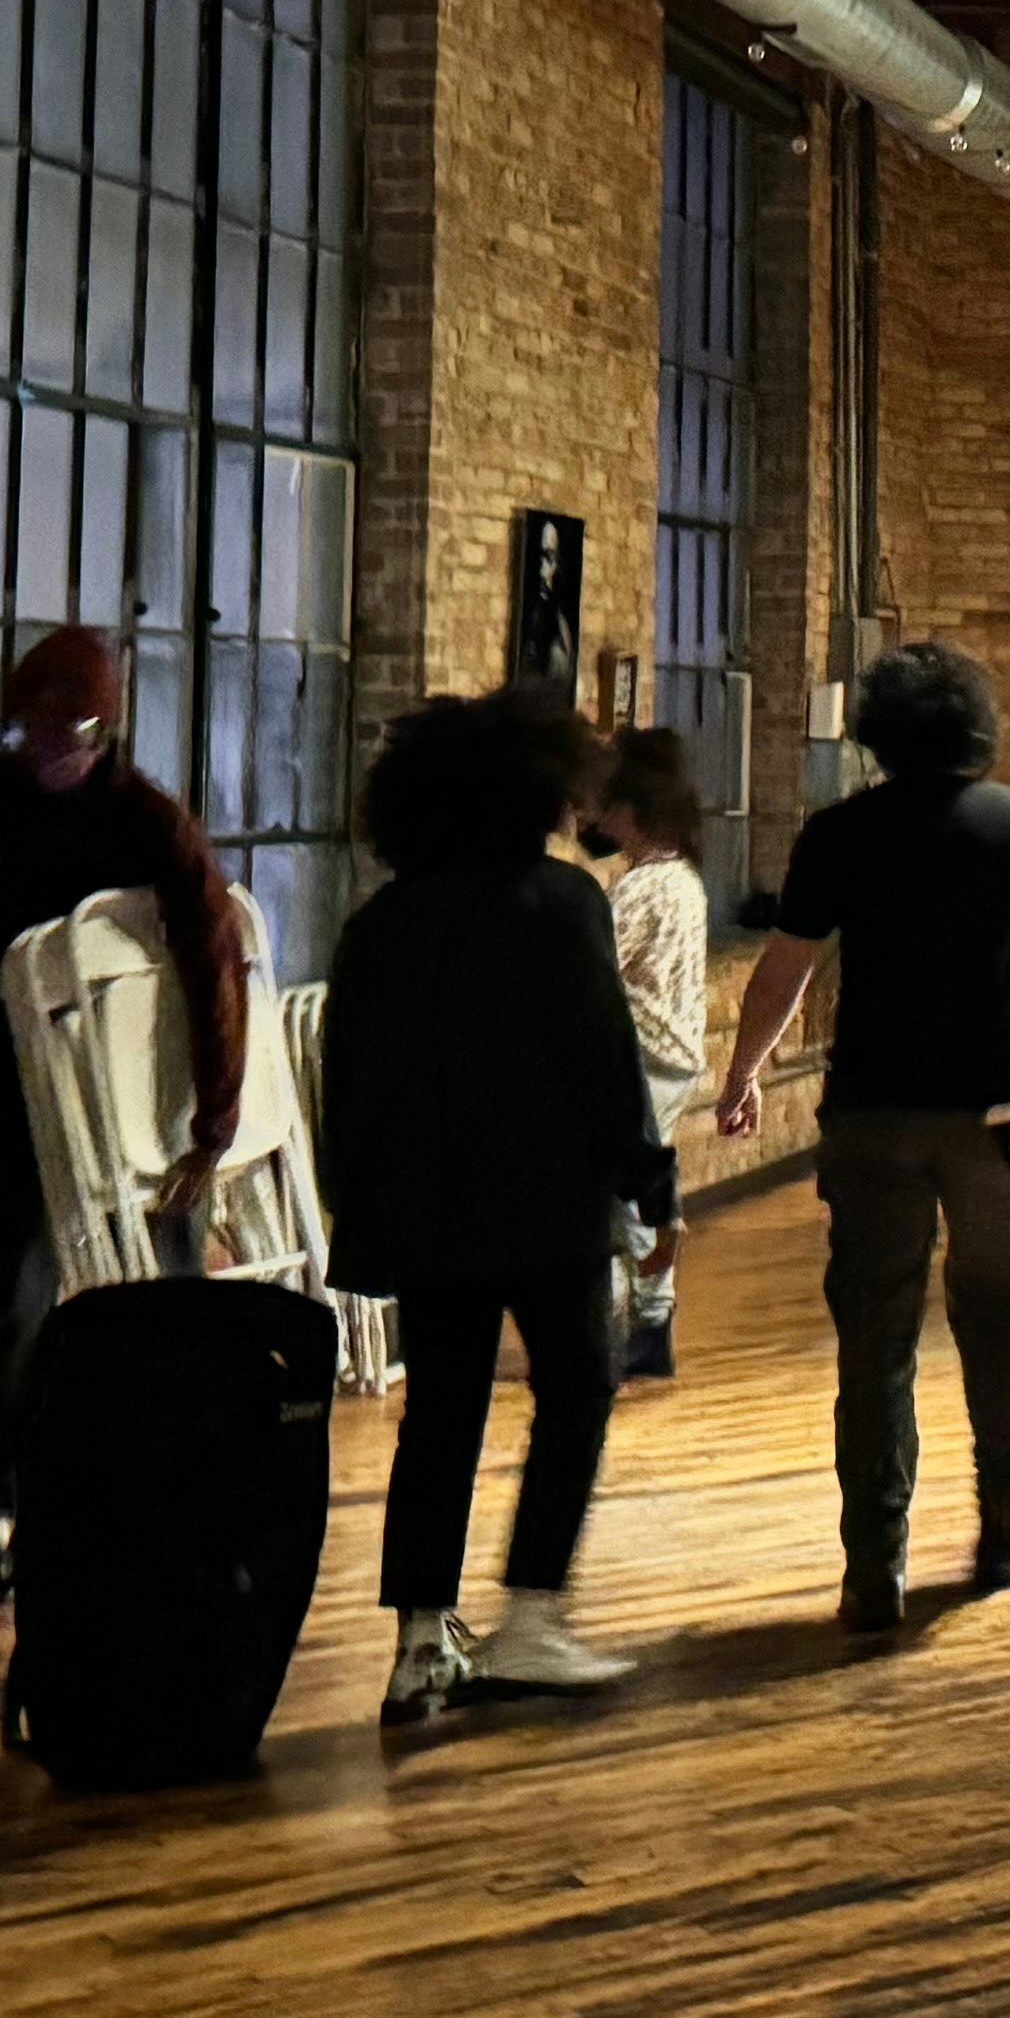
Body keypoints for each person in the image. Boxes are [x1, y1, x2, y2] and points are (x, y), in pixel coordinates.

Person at [716, 643, 1010, 1631]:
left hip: (871, 1118)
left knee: (875, 1339)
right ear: (978, 725)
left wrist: (745, 1073)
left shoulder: (838, 833)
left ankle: (871, 1569)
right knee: (997, 1320)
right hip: (993, 1116)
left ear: (878, 733)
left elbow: (783, 974)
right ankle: (1007, 1525)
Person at [319, 692, 648, 1723]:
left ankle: (421, 1640)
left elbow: (350, 1079)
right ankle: (533, 1618)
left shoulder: (380, 923)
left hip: (426, 1208)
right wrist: (645, 1183)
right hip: (549, 1199)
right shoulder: (563, 902)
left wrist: (359, 1209)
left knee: (440, 1414)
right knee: (578, 1389)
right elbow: (605, 1053)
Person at [0, 626, 237, 1627]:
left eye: (77, 734)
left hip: (137, 1081)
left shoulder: (149, 821)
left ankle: (184, 1502)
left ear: (108, 732)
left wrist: (211, 1120)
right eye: (40, 733)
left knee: (165, 1288)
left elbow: (215, 958)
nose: (55, 752)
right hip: (21, 1063)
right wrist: (12, 1001)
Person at [584, 728, 713, 1382]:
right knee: (650, 1191)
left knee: (628, 1194)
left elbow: (593, 964)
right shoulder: (681, 878)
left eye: (607, 807)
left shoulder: (644, 889)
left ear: (633, 812)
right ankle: (648, 1319)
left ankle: (648, 1323)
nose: (596, 818)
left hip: (648, 1059)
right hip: (674, 1054)